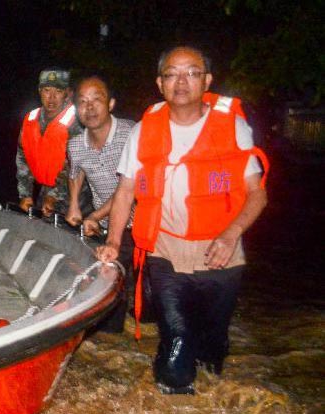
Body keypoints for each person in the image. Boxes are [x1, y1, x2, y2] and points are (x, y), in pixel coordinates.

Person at [96, 46, 268, 395]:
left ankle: (209, 412)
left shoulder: (233, 127)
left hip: (221, 250)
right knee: (176, 341)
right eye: (172, 74)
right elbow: (125, 191)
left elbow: (257, 193)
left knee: (212, 346)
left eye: (192, 72)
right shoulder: (143, 130)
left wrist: (232, 234)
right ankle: (172, 400)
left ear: (207, 80)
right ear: (160, 84)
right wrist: (113, 242)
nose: (182, 81)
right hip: (165, 249)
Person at [65, 75, 136, 332]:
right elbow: (75, 173)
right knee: (110, 278)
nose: (90, 107)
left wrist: (94, 215)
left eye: (97, 99)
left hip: (142, 220)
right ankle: (112, 334)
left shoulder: (131, 133)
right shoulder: (75, 144)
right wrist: (74, 205)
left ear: (111, 103)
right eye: (83, 102)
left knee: (149, 296)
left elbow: (128, 187)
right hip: (107, 225)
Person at [15, 68, 88, 218]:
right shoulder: (30, 119)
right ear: (40, 91)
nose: (52, 98)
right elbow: (22, 158)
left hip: (76, 193)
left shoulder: (77, 121)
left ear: (66, 93)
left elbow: (75, 164)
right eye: (47, 90)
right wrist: (25, 194)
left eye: (58, 91)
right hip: (47, 190)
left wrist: (54, 195)